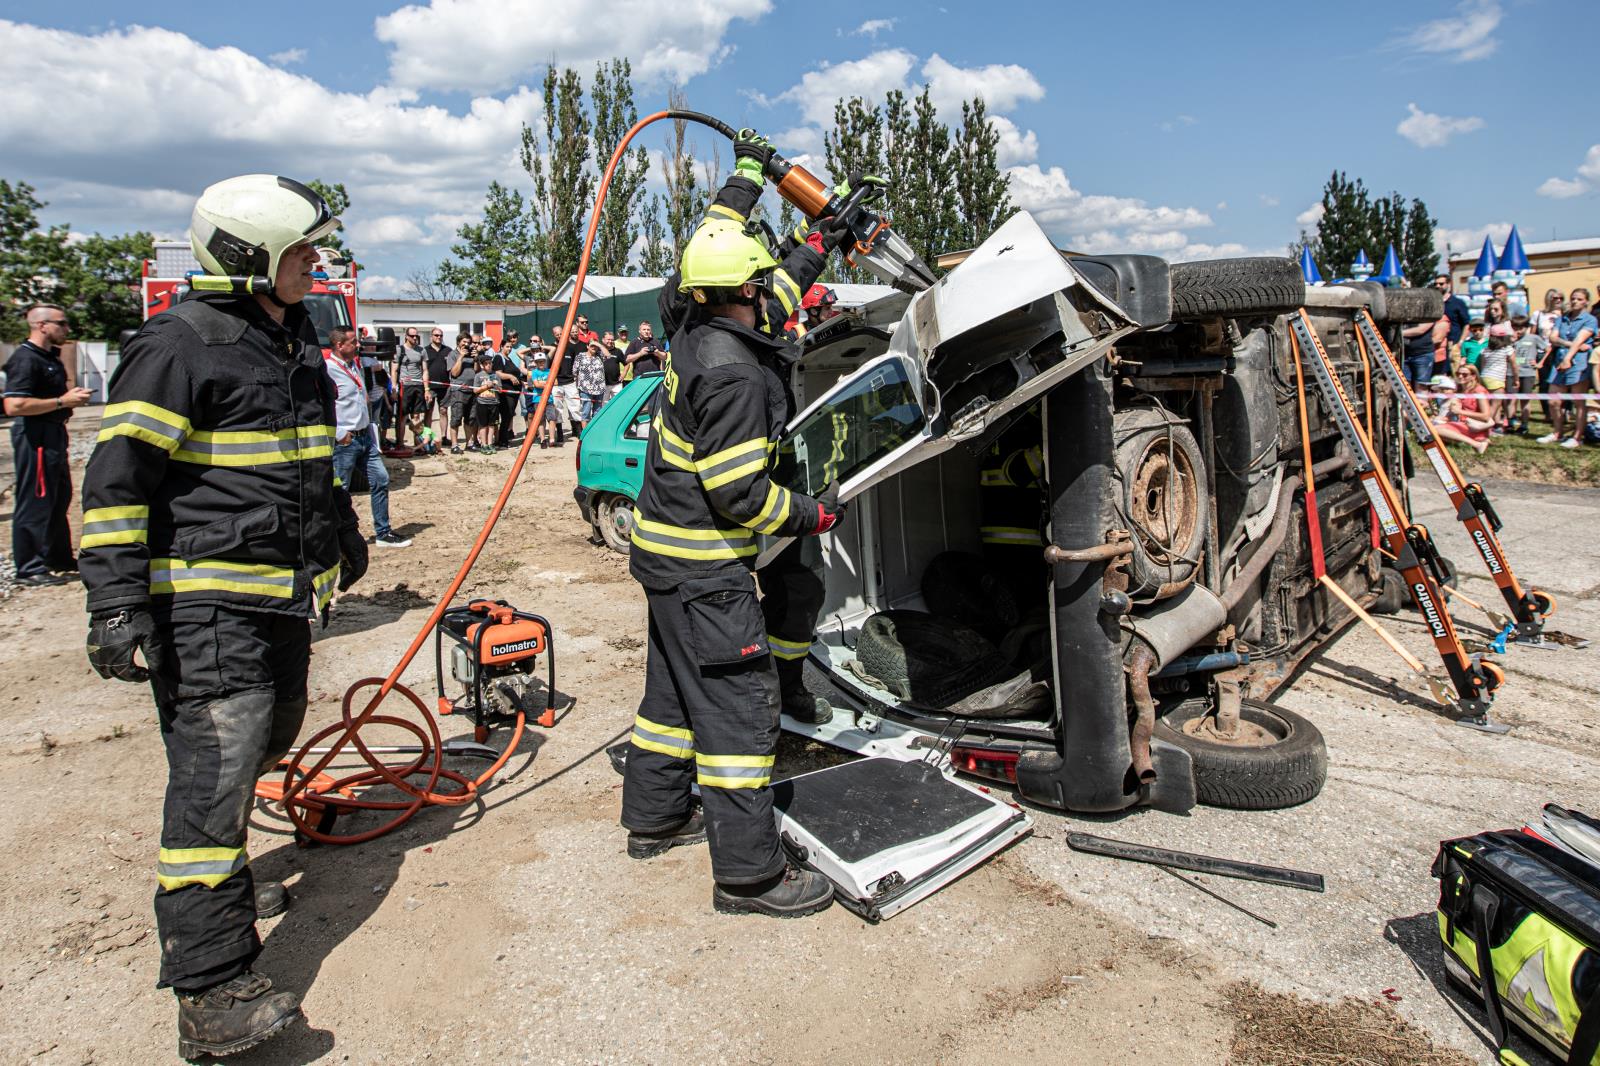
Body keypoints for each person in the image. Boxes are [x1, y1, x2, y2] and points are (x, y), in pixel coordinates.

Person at [78, 174, 369, 1058]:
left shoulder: (291, 337)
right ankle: (211, 992)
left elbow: (309, 458)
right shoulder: (178, 346)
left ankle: (226, 889)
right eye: (300, 251)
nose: (315, 263)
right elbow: (116, 484)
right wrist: (116, 603)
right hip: (205, 604)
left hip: (278, 595)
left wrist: (339, 534)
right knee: (215, 774)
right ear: (247, 259)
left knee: (272, 736)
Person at [621, 214, 845, 919]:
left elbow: (775, 289)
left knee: (671, 700)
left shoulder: (691, 326)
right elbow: (742, 494)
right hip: (706, 572)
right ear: (744, 286)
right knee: (739, 714)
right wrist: (816, 514)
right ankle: (750, 876)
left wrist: (824, 236)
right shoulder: (737, 377)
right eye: (761, 283)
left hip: (663, 559)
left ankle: (656, 818)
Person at [4, 305, 93, 586]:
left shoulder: (46, 357)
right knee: (36, 499)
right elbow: (14, 405)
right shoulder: (26, 359)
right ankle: (29, 567)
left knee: (58, 497)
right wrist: (61, 402)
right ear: (41, 325)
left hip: (53, 433)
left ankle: (58, 557)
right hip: (35, 436)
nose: (66, 329)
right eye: (61, 323)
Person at [326, 326, 411, 547]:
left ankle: (383, 533)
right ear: (339, 345)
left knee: (381, 479)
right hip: (345, 440)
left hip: (365, 437)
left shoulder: (355, 365)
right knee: (340, 489)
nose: (358, 345)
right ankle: (333, 538)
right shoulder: (328, 370)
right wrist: (338, 433)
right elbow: (321, 406)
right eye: (353, 342)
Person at [1540, 288, 1596, 449]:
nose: (1575, 301)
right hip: (1559, 362)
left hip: (1579, 363)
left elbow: (1581, 339)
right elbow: (1553, 338)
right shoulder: (1562, 318)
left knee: (1579, 402)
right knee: (1553, 400)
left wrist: (1568, 358)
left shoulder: (1589, 320)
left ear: (1586, 301)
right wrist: (1570, 345)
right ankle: (1557, 433)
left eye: (1579, 299)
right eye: (1573, 298)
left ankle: (1577, 436)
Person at [1432, 364, 1495, 454]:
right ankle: (1478, 441)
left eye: (1465, 374)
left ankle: (1477, 444)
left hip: (1475, 427)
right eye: (1458, 374)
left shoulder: (1479, 391)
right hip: (1463, 424)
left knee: (1435, 430)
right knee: (1432, 432)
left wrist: (1460, 411)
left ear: (1473, 376)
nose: (1460, 376)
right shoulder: (1460, 389)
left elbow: (1486, 416)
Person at [1508, 315, 1545, 434]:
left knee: (1525, 400)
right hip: (1511, 372)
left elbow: (1548, 349)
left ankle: (1524, 425)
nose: (1518, 331)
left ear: (1526, 327)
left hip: (1528, 372)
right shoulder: (1509, 339)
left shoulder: (1534, 338)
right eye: (1515, 328)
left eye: (1520, 328)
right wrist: (1511, 342)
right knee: (1511, 399)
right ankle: (1510, 423)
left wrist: (1540, 362)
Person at [548, 324, 581, 445]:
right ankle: (560, 433)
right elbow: (547, 364)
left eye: (561, 333)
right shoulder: (551, 348)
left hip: (570, 382)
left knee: (576, 406)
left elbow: (574, 364)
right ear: (554, 335)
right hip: (556, 383)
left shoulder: (570, 347)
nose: (559, 335)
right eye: (556, 334)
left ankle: (579, 431)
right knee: (557, 409)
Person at [1432, 274, 1471, 374]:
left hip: (1453, 345)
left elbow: (1467, 324)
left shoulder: (1457, 303)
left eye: (1441, 284)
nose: (1438, 286)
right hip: (1437, 346)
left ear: (1448, 284)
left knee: (1455, 374)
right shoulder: (1433, 303)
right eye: (1436, 284)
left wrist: (1460, 343)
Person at [1477, 323, 1512, 431]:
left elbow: (1483, 365)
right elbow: (1514, 364)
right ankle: (1482, 427)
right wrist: (1516, 378)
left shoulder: (1485, 350)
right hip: (1496, 380)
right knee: (1495, 405)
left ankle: (1495, 425)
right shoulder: (1507, 349)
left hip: (1484, 378)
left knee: (1492, 404)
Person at [493, 330, 523, 448]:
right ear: (501, 346)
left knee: (509, 415)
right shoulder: (499, 358)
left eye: (511, 347)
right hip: (506, 392)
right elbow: (498, 373)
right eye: (507, 346)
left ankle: (504, 438)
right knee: (506, 415)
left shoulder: (508, 358)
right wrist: (510, 376)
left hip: (514, 392)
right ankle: (502, 440)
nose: (509, 349)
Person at [423, 327, 452, 446]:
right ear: (431, 336)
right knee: (428, 412)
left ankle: (444, 437)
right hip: (430, 387)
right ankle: (427, 437)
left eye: (440, 335)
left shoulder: (448, 350)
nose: (438, 337)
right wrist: (426, 388)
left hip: (445, 387)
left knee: (444, 411)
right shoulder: (425, 350)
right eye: (436, 335)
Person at [470, 352, 500, 453]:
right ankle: (484, 444)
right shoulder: (478, 376)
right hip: (482, 403)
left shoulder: (495, 375)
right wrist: (487, 386)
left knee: (492, 424)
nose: (489, 365)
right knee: (483, 425)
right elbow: (475, 390)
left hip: (493, 402)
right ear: (482, 365)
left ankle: (490, 443)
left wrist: (495, 386)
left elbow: (500, 390)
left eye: (490, 363)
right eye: (486, 363)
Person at [575, 339, 608, 429]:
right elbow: (575, 371)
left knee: (597, 411)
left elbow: (608, 355)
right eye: (592, 345)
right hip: (585, 388)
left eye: (595, 346)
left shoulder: (600, 355)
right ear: (587, 346)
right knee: (586, 410)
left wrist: (599, 345)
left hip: (599, 388)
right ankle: (584, 434)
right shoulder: (580, 356)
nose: (594, 347)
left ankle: (594, 432)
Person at [527, 350, 557, 448]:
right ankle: (542, 439)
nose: (541, 363)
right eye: (539, 361)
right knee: (540, 420)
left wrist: (544, 384)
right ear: (535, 363)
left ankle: (552, 439)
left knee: (552, 418)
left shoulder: (550, 371)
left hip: (549, 399)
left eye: (542, 361)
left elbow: (555, 382)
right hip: (537, 399)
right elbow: (536, 384)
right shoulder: (534, 372)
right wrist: (548, 384)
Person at [1400, 314, 1438, 386]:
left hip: (1423, 354)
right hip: (1404, 354)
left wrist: (1399, 333)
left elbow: (1421, 330)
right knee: (1404, 385)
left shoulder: (1428, 310)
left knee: (1421, 385)